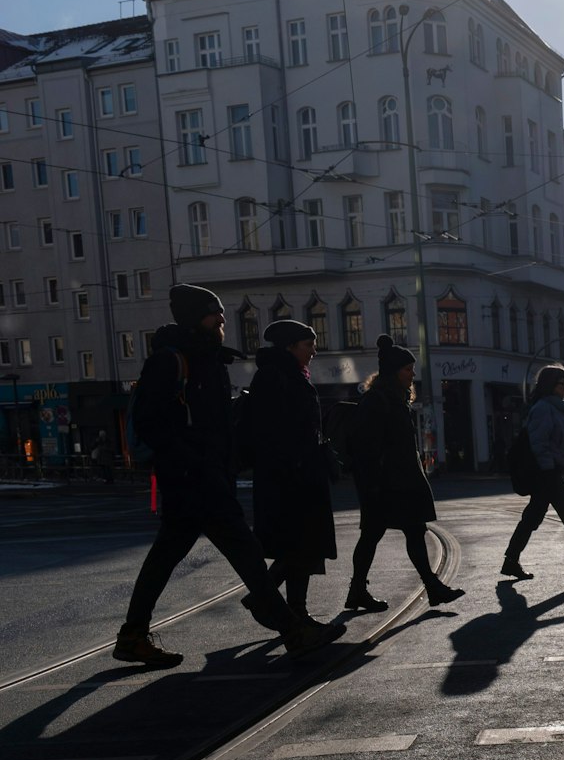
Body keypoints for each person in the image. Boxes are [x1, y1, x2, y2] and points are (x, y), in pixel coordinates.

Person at [113, 284, 342, 667]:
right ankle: (292, 629)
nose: (221, 319)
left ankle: (133, 634)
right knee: (247, 555)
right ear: (193, 317)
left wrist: (223, 463)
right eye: (212, 313)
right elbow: (152, 423)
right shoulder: (171, 361)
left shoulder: (208, 360)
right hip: (194, 479)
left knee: (167, 558)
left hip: (205, 478)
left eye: (220, 312)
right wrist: (195, 462)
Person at [343, 335, 464, 611]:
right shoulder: (378, 401)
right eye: (407, 370)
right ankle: (363, 590)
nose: (412, 375)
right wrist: (373, 484)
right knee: (380, 534)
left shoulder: (394, 399)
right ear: (393, 372)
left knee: (407, 531)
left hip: (399, 481)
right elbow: (369, 446)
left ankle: (362, 591)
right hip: (388, 483)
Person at [249, 319, 338, 623]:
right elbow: (275, 430)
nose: (314, 350)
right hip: (290, 480)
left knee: (304, 547)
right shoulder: (276, 377)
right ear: (290, 347)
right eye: (308, 345)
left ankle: (285, 606)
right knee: (299, 546)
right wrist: (299, 462)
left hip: (301, 475)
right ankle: (280, 605)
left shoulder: (291, 374)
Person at [502, 364, 564, 580]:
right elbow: (540, 443)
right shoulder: (544, 408)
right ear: (550, 385)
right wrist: (548, 471)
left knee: (532, 517)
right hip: (547, 474)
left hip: (549, 473)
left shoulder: (557, 409)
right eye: (562, 384)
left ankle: (510, 560)